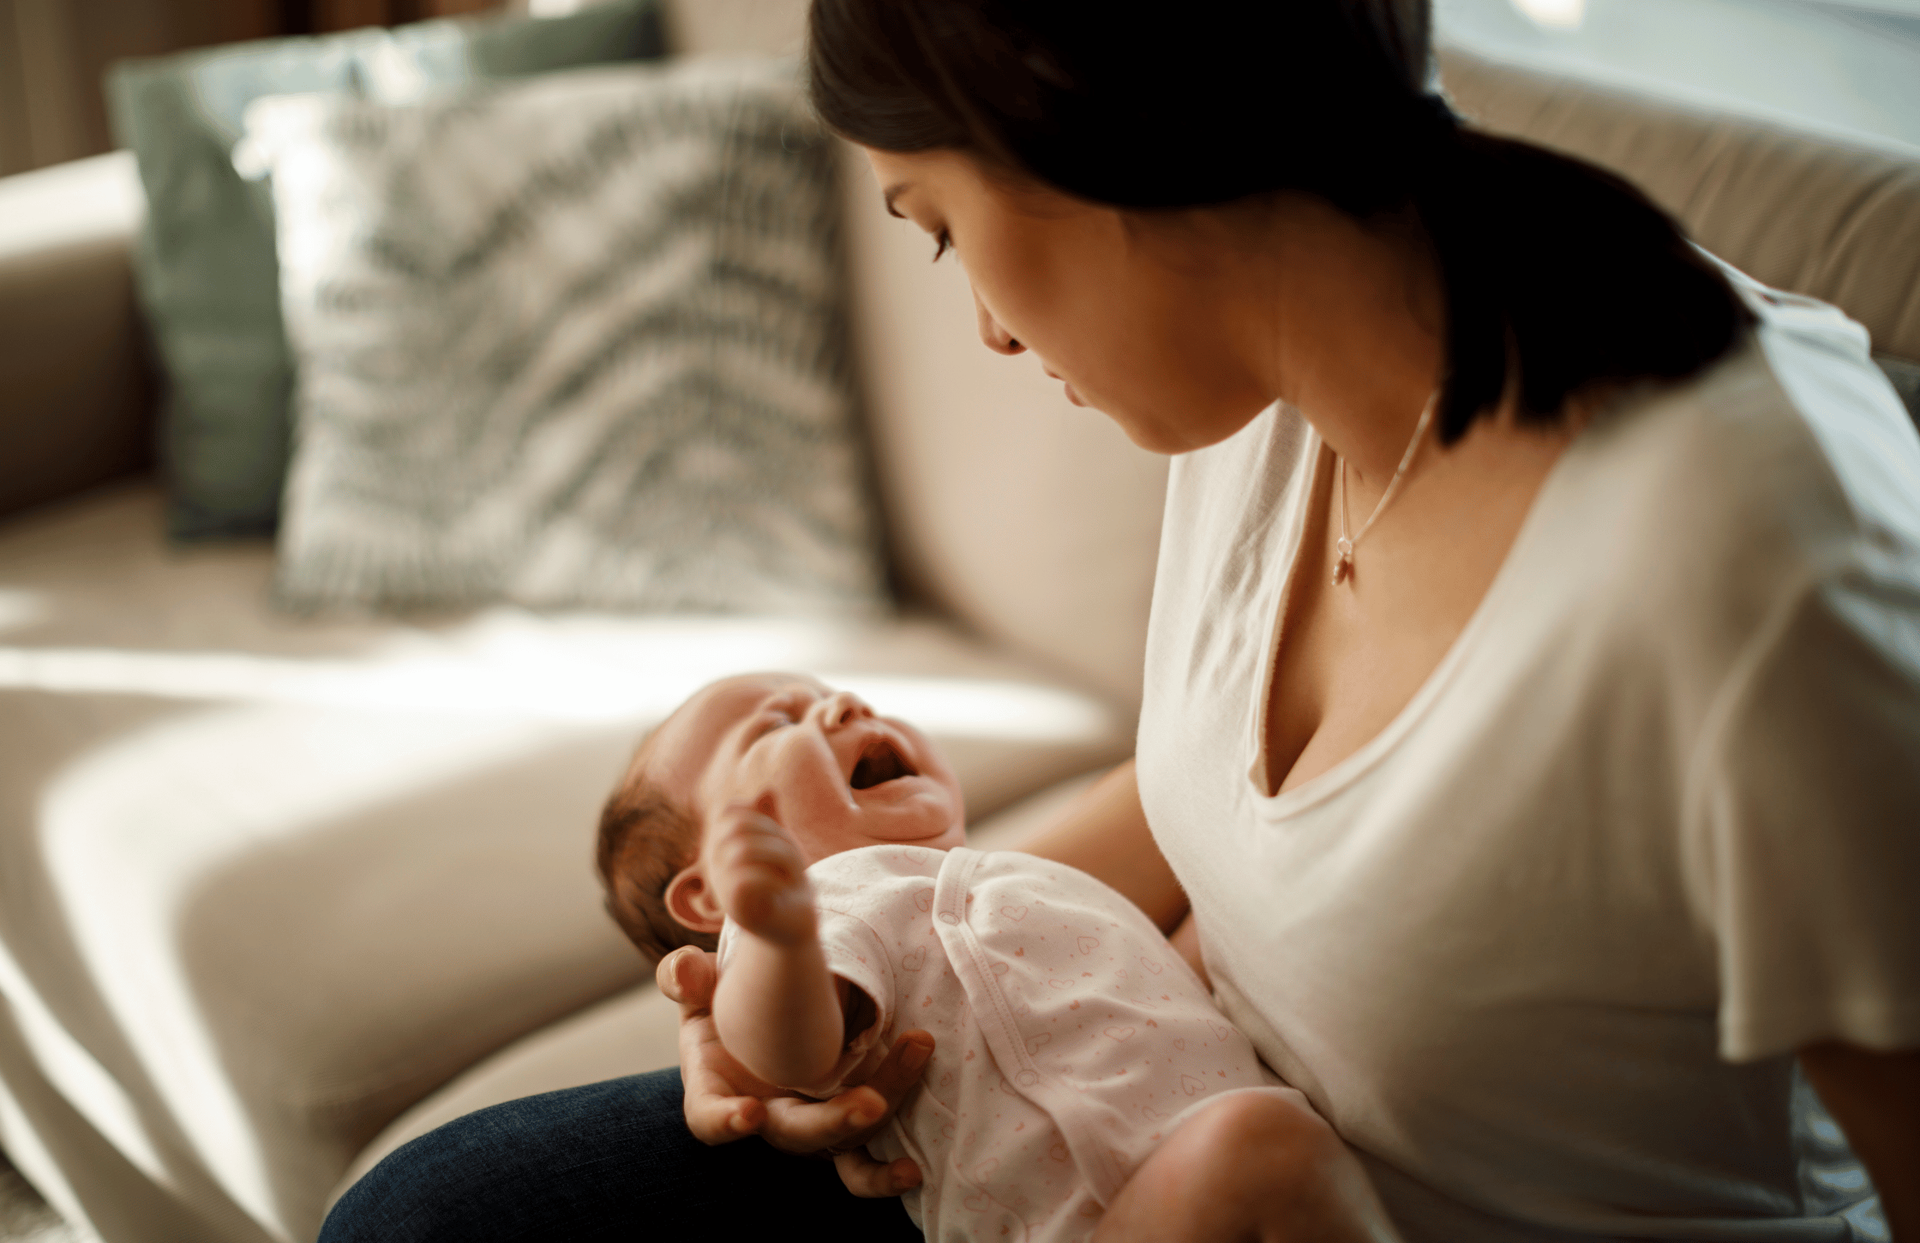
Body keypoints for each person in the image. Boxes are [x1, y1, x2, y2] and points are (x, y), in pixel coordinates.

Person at [321, 1, 1920, 1239]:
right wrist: (817, 971)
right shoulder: (1254, 389)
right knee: (434, 1212)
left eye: (938, 227)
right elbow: (1196, 798)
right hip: (1149, 1135)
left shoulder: (1747, 557)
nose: (992, 334)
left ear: (1059, 107)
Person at [593, 671, 1330, 1241]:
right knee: (1262, 1144)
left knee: (1270, 1150)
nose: (847, 702)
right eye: (776, 725)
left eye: (839, 693)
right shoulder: (828, 900)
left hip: (1197, 1199)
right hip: (1086, 1223)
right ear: (712, 891)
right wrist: (776, 940)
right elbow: (793, 1052)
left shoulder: (1020, 886)